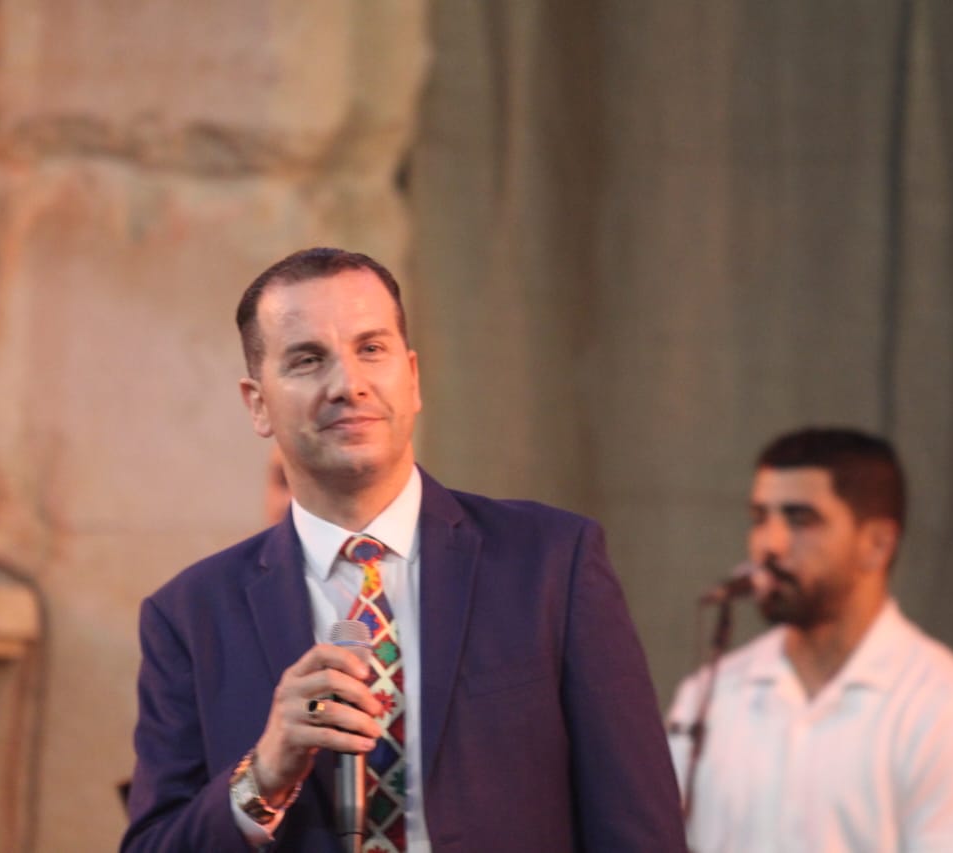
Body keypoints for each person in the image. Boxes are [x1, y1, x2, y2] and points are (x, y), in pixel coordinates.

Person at [121, 247, 687, 852]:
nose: (349, 384)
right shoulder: (190, 616)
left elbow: (638, 828)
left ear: (412, 378)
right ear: (258, 404)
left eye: (371, 349)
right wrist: (264, 774)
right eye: (308, 359)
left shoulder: (551, 563)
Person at [666, 427, 953, 852]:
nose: (769, 544)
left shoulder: (948, 714)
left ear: (877, 544)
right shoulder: (710, 695)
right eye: (760, 518)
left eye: (800, 519)